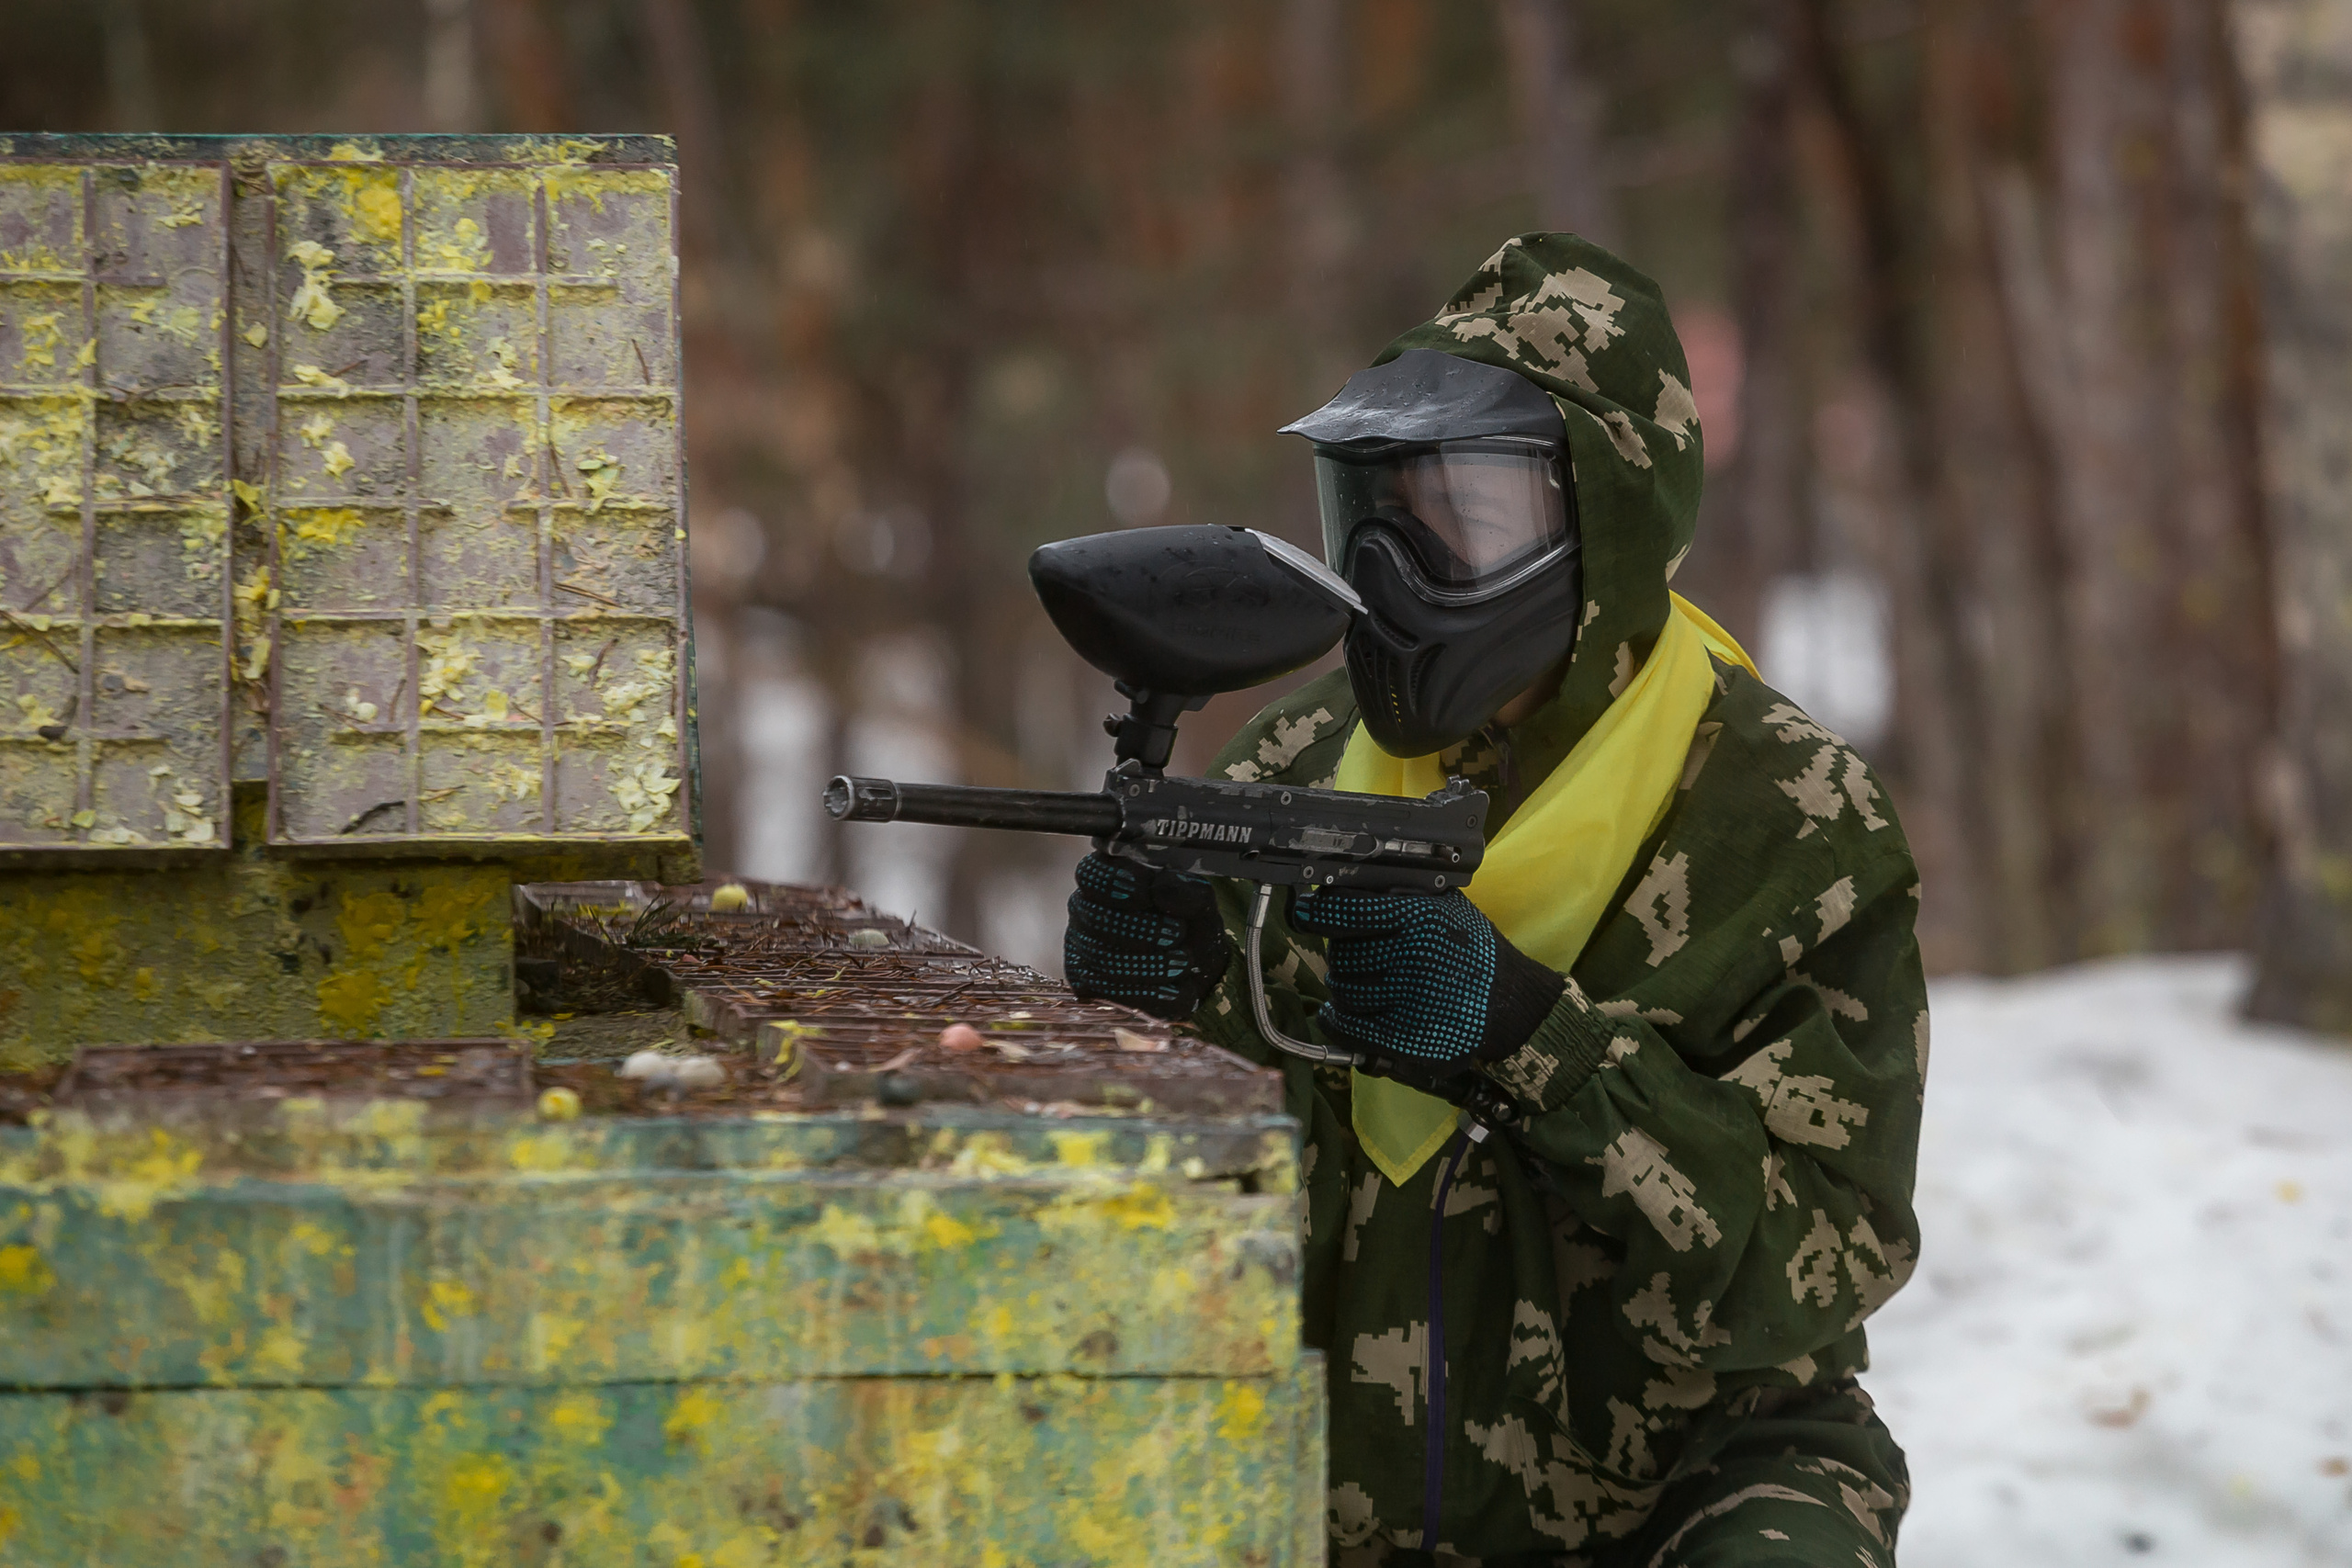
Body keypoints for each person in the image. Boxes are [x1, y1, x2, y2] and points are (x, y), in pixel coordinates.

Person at [1064, 233, 1926, 1567]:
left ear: (1605, 525)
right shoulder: (1295, 763)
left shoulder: (1788, 820)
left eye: (1462, 520)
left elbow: (1818, 1268)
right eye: (1373, 516)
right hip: (1329, 1478)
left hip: (1687, 1478)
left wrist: (1531, 1039)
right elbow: (1191, 1244)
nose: (1394, 574)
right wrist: (1171, 1023)